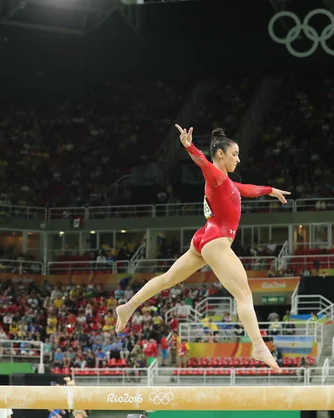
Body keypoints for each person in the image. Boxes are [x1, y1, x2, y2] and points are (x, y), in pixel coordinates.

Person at [115, 125, 290, 372]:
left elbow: (247, 189)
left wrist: (270, 190)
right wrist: (189, 146)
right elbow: (203, 164)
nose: (238, 159)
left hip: (204, 238)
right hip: (216, 240)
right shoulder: (216, 176)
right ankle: (259, 346)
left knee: (167, 279)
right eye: (235, 154)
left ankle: (128, 306)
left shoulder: (226, 183)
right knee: (244, 295)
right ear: (221, 154)